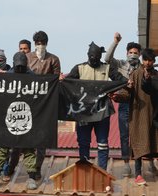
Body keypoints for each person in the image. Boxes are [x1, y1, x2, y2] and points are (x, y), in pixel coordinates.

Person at [66, 41, 127, 171]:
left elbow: (120, 80)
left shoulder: (107, 68)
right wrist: (61, 79)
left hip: (102, 111)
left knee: (103, 143)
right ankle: (84, 169)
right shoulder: (79, 68)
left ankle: (102, 171)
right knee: (83, 142)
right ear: (88, 55)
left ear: (100, 56)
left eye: (96, 57)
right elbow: (67, 83)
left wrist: (119, 87)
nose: (94, 59)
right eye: (91, 57)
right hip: (84, 113)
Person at [0, 52, 38, 190]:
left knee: (28, 148)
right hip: (9, 117)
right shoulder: (6, 77)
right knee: (2, 148)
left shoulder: (33, 77)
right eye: (18, 67)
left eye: (22, 67)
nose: (20, 69)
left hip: (25, 116)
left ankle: (32, 178)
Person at [111, 48, 158, 185]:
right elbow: (127, 94)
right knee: (138, 142)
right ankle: (138, 174)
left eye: (150, 60)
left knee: (155, 141)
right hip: (139, 114)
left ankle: (152, 168)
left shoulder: (156, 75)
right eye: (145, 60)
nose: (147, 63)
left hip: (155, 114)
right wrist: (118, 96)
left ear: (153, 61)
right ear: (142, 60)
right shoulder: (135, 74)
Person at [104, 32, 142, 177]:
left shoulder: (142, 68)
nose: (133, 55)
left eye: (135, 53)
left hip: (139, 105)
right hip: (124, 103)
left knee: (139, 135)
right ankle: (126, 163)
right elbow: (107, 59)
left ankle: (143, 163)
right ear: (127, 53)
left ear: (139, 55)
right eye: (130, 52)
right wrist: (115, 42)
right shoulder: (120, 64)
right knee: (124, 135)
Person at [26, 31, 61, 179]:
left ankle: (37, 168)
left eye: (43, 43)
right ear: (34, 44)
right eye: (38, 43)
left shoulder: (53, 59)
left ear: (46, 43)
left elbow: (56, 80)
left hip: (45, 105)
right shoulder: (27, 58)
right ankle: (21, 167)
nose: (40, 46)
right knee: (25, 137)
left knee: (42, 138)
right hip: (28, 103)